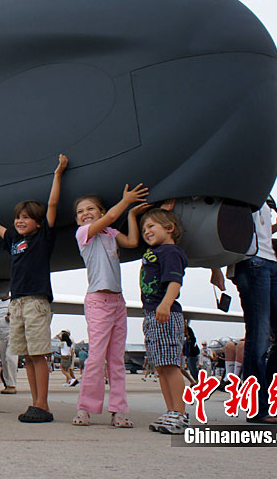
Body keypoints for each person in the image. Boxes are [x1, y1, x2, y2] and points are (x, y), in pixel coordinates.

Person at [0, 154, 67, 422]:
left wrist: (58, 174)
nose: (20, 221)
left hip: (36, 301)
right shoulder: (14, 241)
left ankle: (43, 405)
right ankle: (36, 404)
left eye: (26, 218)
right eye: (18, 217)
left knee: (38, 355)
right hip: (17, 303)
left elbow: (53, 204)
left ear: (38, 222)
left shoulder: (43, 237)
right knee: (28, 357)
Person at [210, 202, 277, 424]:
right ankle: (258, 407)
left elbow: (257, 233)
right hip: (248, 262)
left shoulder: (264, 195)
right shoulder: (237, 192)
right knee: (258, 337)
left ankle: (273, 402)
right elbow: (215, 229)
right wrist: (215, 267)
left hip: (272, 262)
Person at [70, 186, 148, 427]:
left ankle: (118, 411)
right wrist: (127, 201)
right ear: (77, 220)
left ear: (100, 211)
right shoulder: (84, 233)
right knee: (96, 357)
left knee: (116, 359)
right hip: (98, 301)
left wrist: (132, 216)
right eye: (80, 211)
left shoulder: (111, 233)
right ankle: (85, 408)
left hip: (118, 302)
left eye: (90, 209)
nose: (85, 213)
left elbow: (132, 241)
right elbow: (113, 215)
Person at [137, 208, 189, 434]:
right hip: (152, 314)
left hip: (165, 314)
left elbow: (175, 281)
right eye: (144, 229)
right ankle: (171, 411)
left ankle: (180, 413)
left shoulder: (170, 252)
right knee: (160, 366)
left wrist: (166, 303)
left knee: (170, 365)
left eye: (151, 226)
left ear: (169, 228)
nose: (146, 232)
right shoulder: (155, 251)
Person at [0, 296, 17, 394]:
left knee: (11, 358)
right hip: (1, 336)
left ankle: (12, 385)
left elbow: (21, 315)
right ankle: (7, 384)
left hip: (12, 334)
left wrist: (11, 318)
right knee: (4, 360)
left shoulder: (14, 301)